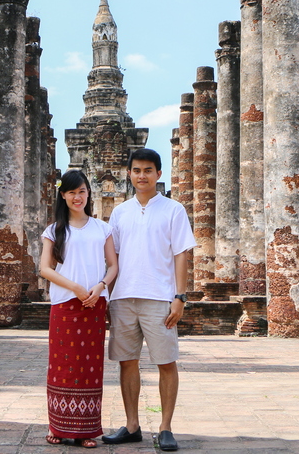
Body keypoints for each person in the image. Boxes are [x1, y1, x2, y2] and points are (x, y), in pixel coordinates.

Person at [103, 148, 195, 452]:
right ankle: (131, 425)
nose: (142, 176)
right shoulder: (120, 212)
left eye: (148, 170)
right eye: (136, 170)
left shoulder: (173, 209)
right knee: (127, 362)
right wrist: (106, 296)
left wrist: (180, 296)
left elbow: (181, 254)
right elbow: (112, 259)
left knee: (166, 362)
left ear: (158, 174)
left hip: (160, 297)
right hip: (124, 297)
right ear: (129, 174)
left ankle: (165, 426)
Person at [39, 169, 119, 449]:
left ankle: (86, 430)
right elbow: (45, 268)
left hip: (94, 304)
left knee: (89, 366)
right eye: (72, 192)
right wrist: (74, 287)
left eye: (82, 191)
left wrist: (100, 287)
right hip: (65, 304)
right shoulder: (54, 230)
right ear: (63, 195)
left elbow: (113, 265)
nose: (78, 197)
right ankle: (58, 428)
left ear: (89, 193)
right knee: (62, 365)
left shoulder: (102, 228)